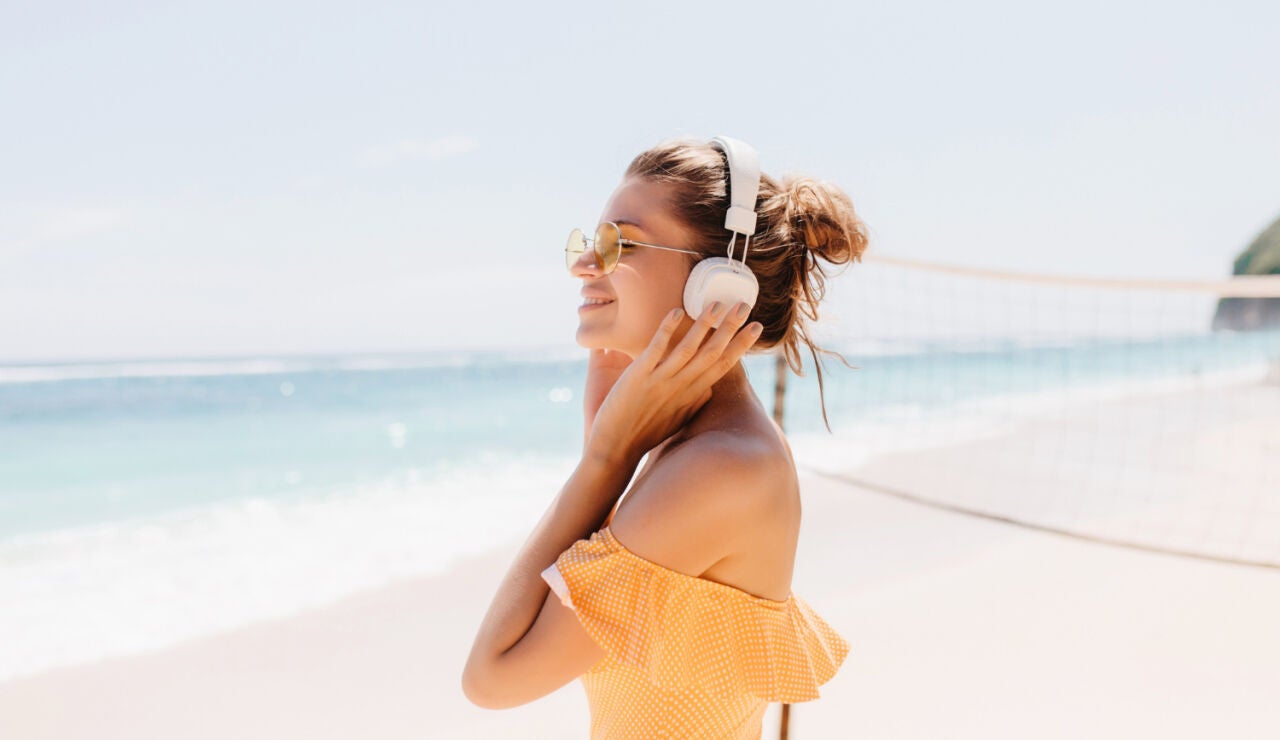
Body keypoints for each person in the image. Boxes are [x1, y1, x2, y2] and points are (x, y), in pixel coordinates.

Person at [463, 135, 867, 739]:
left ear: (719, 286)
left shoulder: (721, 469)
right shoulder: (693, 445)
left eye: (617, 243)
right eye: (589, 240)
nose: (582, 264)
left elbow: (492, 680)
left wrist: (607, 458)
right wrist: (606, 431)